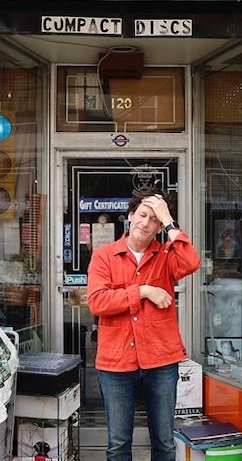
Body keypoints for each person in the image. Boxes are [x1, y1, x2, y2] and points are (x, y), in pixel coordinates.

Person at [87, 189, 200, 461]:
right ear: (130, 216)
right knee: (118, 443)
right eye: (142, 215)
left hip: (161, 360)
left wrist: (170, 221)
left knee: (164, 442)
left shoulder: (165, 256)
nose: (145, 222)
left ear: (159, 226)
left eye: (154, 219)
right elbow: (97, 302)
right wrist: (143, 291)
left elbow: (191, 262)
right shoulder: (104, 255)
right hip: (116, 361)